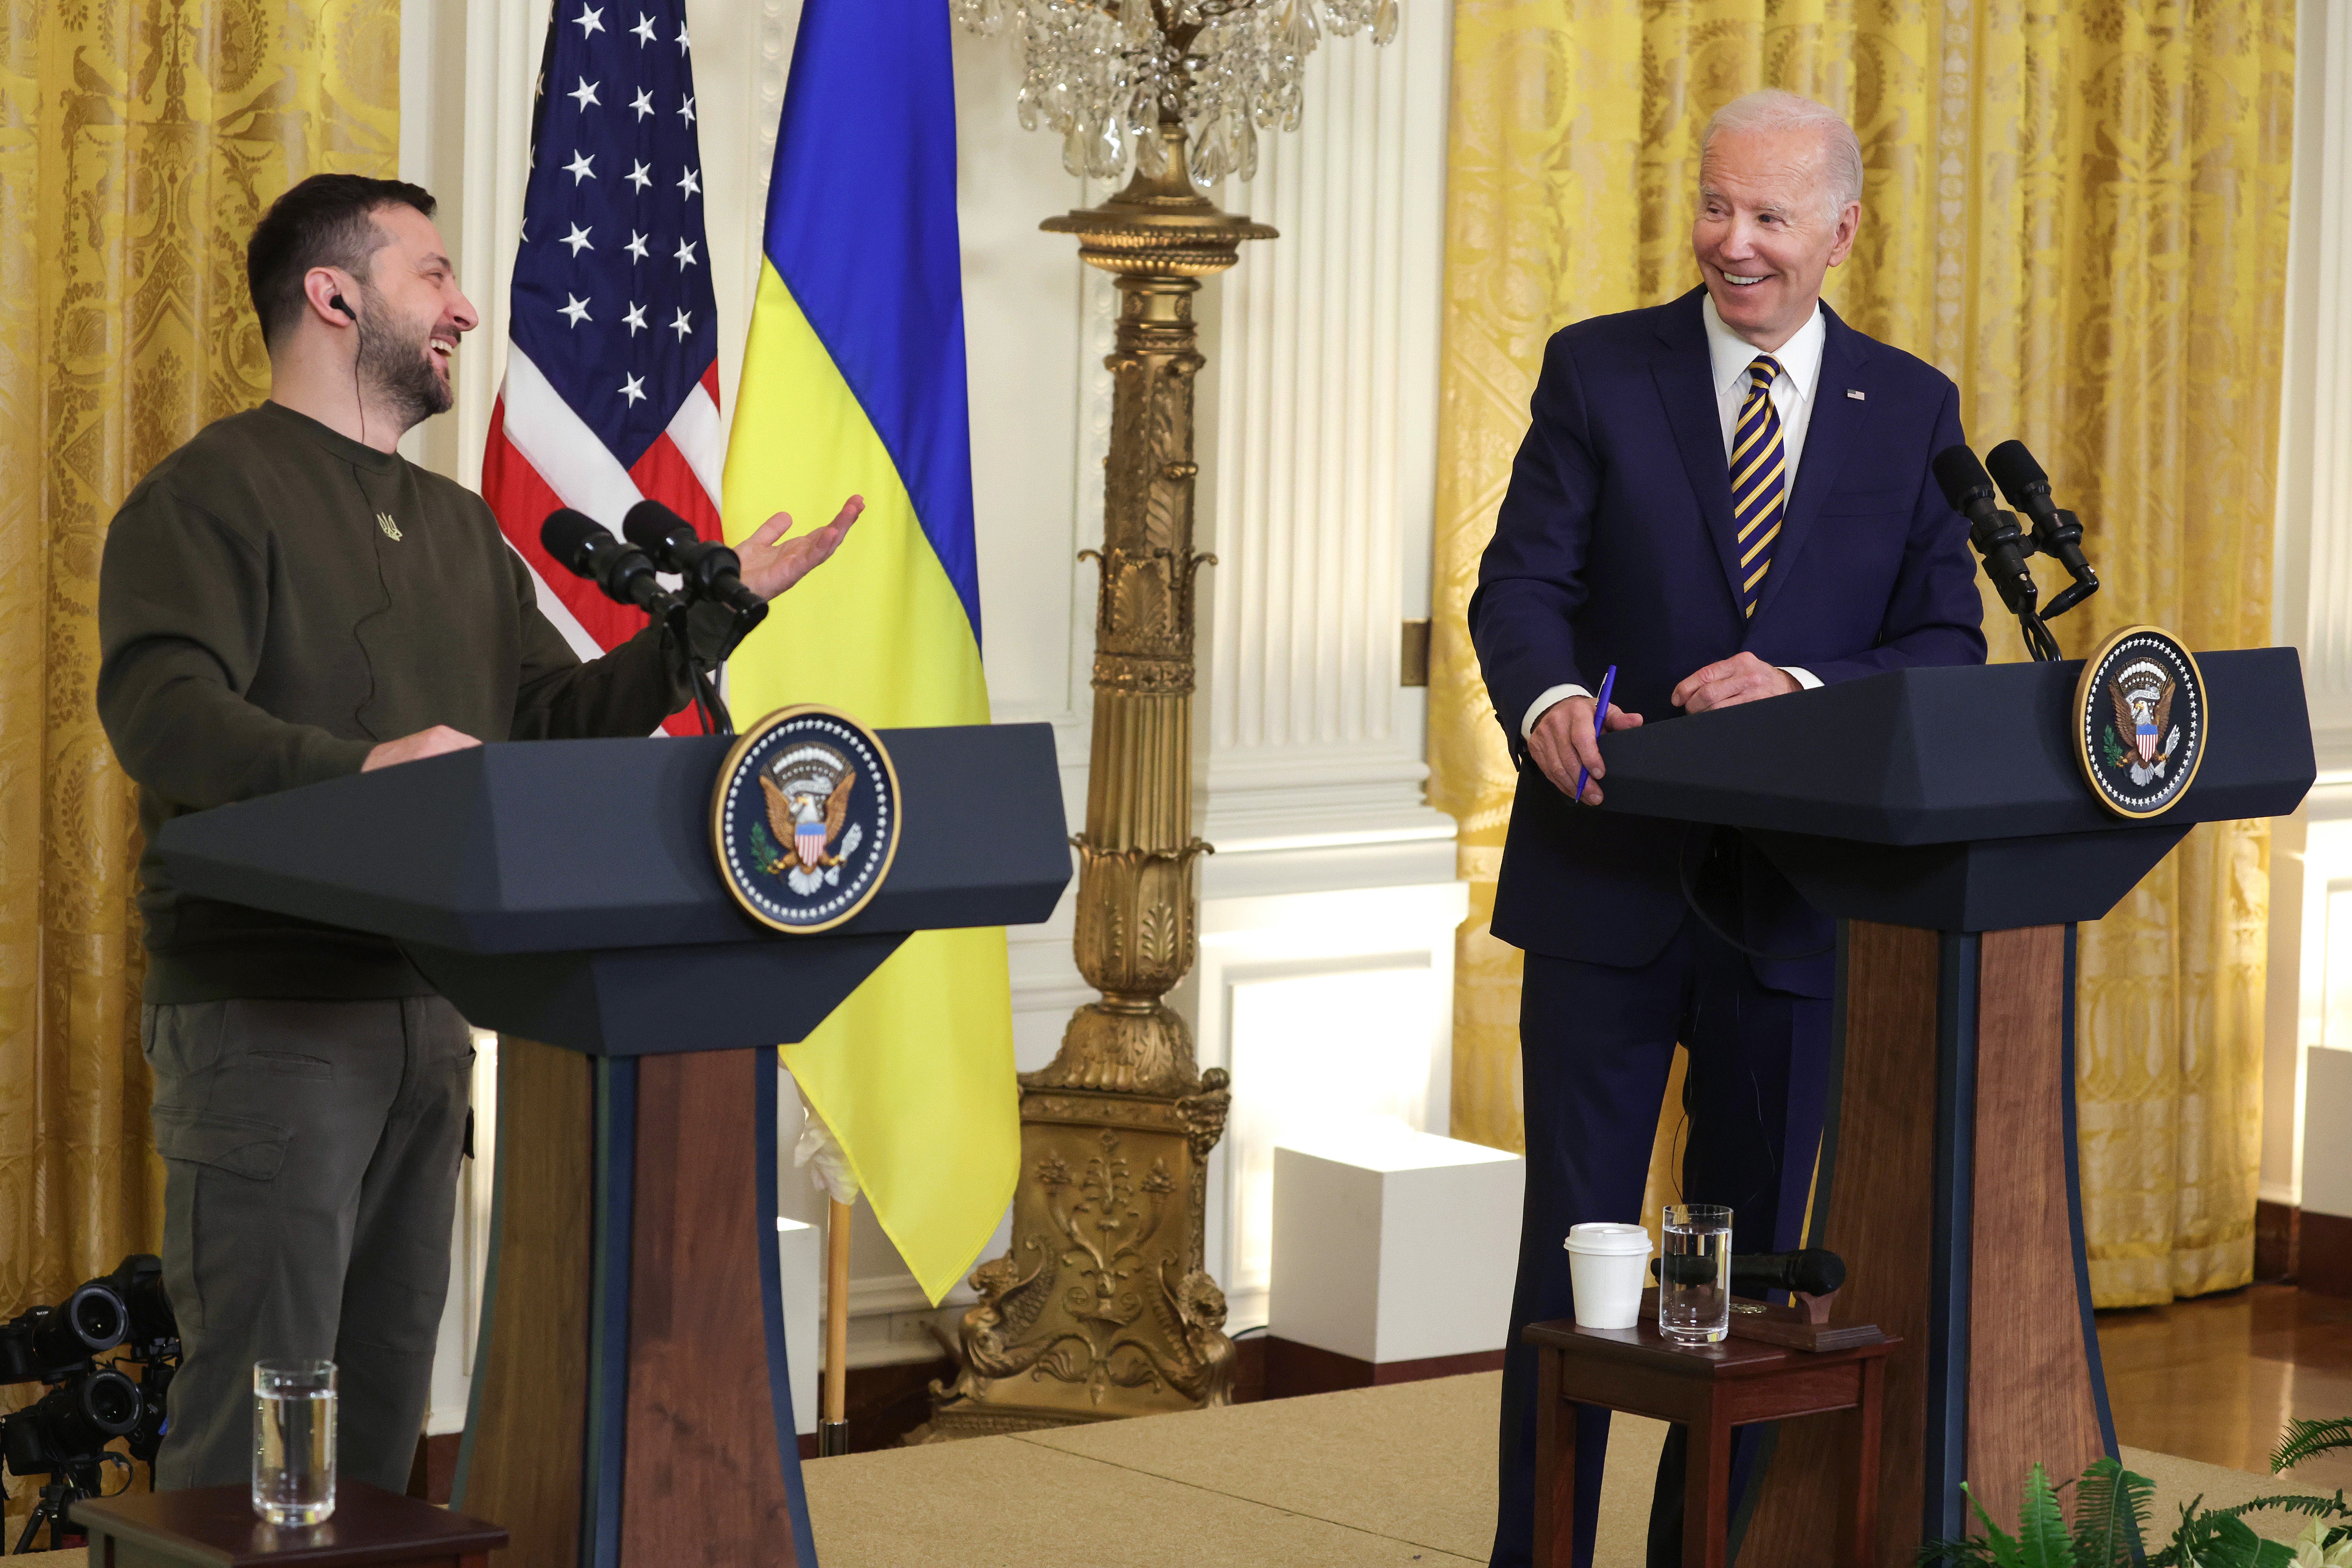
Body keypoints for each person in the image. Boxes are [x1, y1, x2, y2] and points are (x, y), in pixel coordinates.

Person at [94, 173, 862, 1493]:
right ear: (334, 296)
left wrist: (706, 625)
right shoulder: (207, 493)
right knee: (259, 1409)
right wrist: (369, 768)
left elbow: (549, 725)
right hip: (270, 1018)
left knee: (389, 1396)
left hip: (435, 1008)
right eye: (433, 276)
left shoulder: (458, 525)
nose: (463, 309)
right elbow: (164, 718)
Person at [1470, 91, 1988, 1566]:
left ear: (1841, 230)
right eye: (1716, 208)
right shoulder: (1599, 370)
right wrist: (1552, 694)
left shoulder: (1915, 409)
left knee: (1754, 1283)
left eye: (1768, 218)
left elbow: (1949, 645)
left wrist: (1803, 687)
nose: (1734, 245)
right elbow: (1519, 588)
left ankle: (1703, 1553)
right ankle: (1541, 1554)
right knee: (1571, 1263)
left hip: (1795, 910)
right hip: (1601, 884)